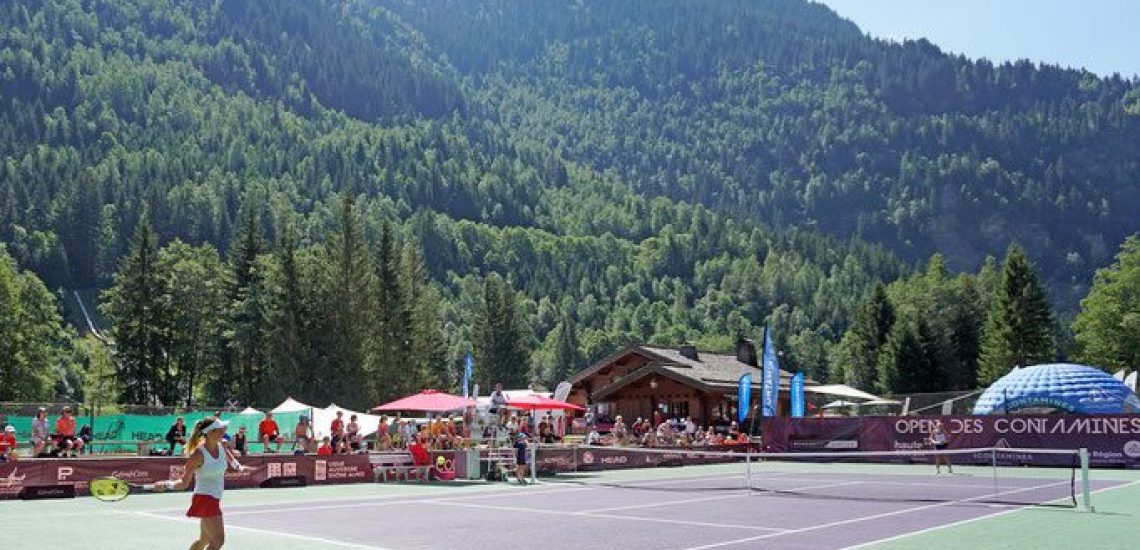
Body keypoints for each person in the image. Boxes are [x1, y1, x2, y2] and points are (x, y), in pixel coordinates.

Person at [155, 417, 244, 550]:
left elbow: (228, 456)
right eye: (219, 429)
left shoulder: (222, 446)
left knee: (204, 540)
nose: (223, 431)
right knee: (218, 541)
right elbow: (184, 483)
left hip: (215, 497)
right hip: (205, 499)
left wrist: (238, 466)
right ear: (210, 432)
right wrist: (166, 484)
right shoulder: (198, 455)